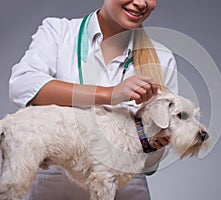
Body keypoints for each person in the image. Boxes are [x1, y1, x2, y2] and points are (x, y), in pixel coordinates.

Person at [9, 0, 178, 199]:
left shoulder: (162, 59)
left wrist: (152, 145)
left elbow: (150, 166)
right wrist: (109, 94)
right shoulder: (59, 32)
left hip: (125, 190)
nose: (141, 3)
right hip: (55, 185)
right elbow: (22, 85)